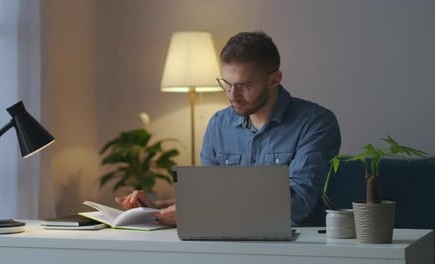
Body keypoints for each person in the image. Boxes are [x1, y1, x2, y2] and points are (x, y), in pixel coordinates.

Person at [116, 31, 341, 227]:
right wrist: (155, 208)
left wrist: (199, 213)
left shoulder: (316, 123)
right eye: (226, 84)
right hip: (226, 243)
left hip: (296, 247)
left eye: (245, 86)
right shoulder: (219, 124)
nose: (233, 96)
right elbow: (210, 198)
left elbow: (297, 208)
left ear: (274, 79)